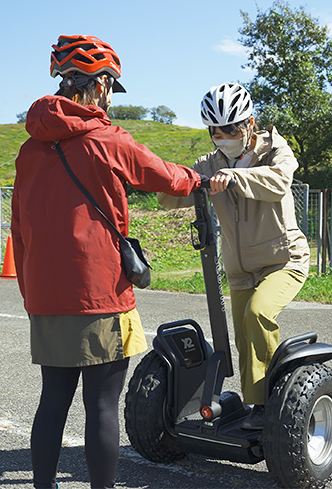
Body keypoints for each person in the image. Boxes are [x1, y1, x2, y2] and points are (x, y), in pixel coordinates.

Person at [11, 35, 201, 489]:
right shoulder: (107, 139)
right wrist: (201, 179)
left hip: (46, 294)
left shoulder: (29, 149)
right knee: (101, 406)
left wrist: (31, 293)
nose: (111, 96)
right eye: (111, 85)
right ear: (95, 86)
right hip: (99, 293)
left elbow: (19, 228)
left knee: (52, 402)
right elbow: (165, 176)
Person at [158, 82, 310, 429]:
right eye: (215, 130)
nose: (222, 136)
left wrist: (235, 177)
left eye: (230, 128)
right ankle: (254, 404)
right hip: (241, 269)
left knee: (258, 315)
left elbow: (280, 183)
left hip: (283, 260)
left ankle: (269, 405)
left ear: (250, 124)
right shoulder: (209, 164)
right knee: (243, 338)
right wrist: (166, 181)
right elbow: (172, 197)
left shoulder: (274, 150)